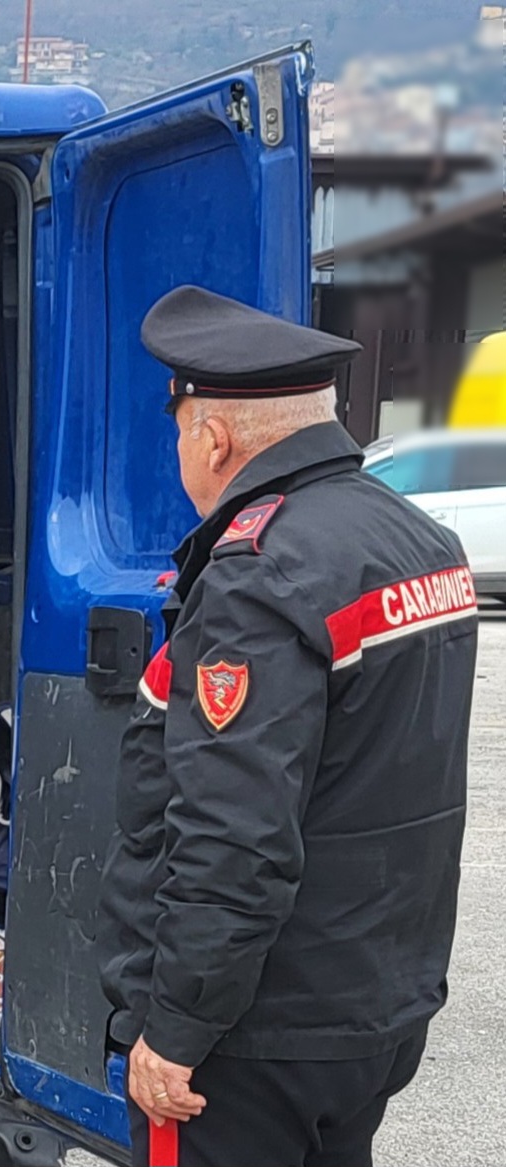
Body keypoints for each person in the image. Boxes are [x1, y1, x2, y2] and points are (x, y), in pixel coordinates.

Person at [98, 285, 474, 1167]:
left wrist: (177, 1026)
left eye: (178, 431)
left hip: (257, 1038)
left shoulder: (257, 580)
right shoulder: (416, 538)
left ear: (212, 436)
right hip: (376, 1002)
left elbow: (233, 839)